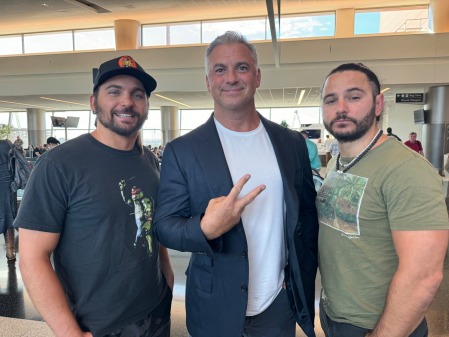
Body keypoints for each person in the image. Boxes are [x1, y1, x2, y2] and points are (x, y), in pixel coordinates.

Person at [153, 31, 318, 337]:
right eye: (220, 69)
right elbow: (164, 225)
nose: (231, 77)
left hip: (277, 304)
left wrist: (298, 277)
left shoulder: (291, 143)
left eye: (241, 68)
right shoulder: (183, 150)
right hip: (214, 303)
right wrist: (205, 228)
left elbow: (306, 215)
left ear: (257, 76)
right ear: (208, 82)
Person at [15, 55, 174, 337]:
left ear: (146, 106)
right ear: (93, 103)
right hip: (100, 326)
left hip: (155, 310)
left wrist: (167, 278)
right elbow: (32, 257)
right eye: (114, 91)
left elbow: (151, 223)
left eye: (137, 94)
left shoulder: (148, 160)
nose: (127, 102)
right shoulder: (59, 165)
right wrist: (70, 333)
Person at [316, 62, 449, 337]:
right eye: (331, 99)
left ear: (378, 104)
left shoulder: (406, 169)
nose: (341, 107)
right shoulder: (336, 164)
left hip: (381, 326)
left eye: (354, 97)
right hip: (335, 317)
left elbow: (424, 276)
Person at [0, 138, 17, 261]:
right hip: (8, 182)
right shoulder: (7, 144)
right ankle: (10, 251)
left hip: (6, 181)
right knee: (8, 214)